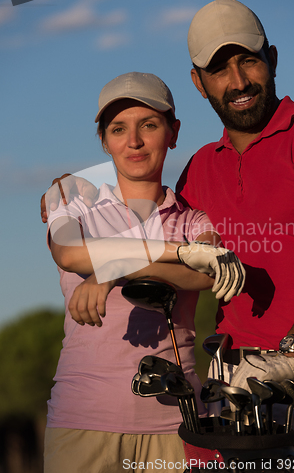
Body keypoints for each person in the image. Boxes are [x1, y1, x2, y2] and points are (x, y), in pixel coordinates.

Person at [43, 71, 245, 473]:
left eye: (149, 126)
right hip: (82, 422)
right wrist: (170, 257)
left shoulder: (193, 219)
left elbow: (209, 274)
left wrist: (111, 268)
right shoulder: (73, 202)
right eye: (118, 129)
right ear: (104, 141)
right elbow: (67, 253)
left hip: (177, 426)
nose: (133, 141)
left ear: (173, 132)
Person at [175, 0, 294, 467]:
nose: (239, 81)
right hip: (232, 382)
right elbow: (156, 246)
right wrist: (75, 201)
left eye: (249, 60)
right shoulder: (199, 168)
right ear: (198, 84)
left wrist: (292, 354)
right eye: (219, 69)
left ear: (273, 59)